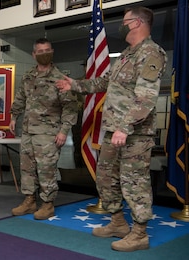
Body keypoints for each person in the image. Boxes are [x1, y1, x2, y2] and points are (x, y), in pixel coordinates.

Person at [55, 6, 166, 252]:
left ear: (137, 23)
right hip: (114, 130)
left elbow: (145, 98)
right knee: (105, 177)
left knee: (134, 182)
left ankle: (139, 234)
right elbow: (104, 82)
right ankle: (118, 222)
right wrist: (74, 84)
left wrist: (125, 127)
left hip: (134, 133)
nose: (121, 25)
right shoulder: (127, 54)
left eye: (125, 21)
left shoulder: (151, 53)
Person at [9, 38, 78, 220]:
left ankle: (48, 204)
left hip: (48, 134)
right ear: (34, 54)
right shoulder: (28, 76)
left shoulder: (60, 79)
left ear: (52, 51)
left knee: (46, 169)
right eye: (40, 51)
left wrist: (64, 131)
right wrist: (13, 116)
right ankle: (29, 201)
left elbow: (70, 107)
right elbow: (20, 98)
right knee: (27, 168)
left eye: (47, 50)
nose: (44, 54)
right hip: (28, 131)